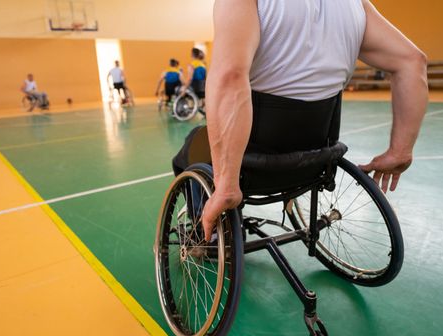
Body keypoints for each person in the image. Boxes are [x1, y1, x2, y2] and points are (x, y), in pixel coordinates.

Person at [172, 0, 428, 240]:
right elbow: (412, 60)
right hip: (317, 158)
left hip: (255, 163)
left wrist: (226, 186)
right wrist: (400, 151)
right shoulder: (353, 4)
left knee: (192, 146)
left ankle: (208, 233)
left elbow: (229, 78)